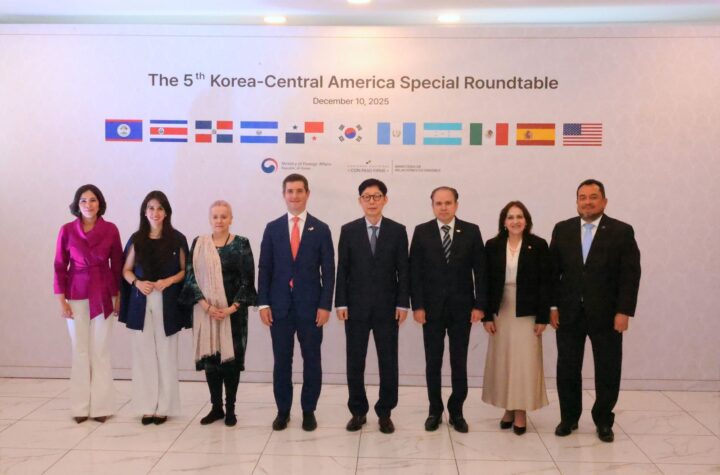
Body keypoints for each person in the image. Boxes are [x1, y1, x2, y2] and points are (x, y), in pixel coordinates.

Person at [550, 179, 641, 443]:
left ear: (604, 201)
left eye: (593, 197)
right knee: (567, 368)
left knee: (608, 369)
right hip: (568, 313)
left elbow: (630, 275)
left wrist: (624, 311)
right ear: (576, 201)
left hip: (607, 315)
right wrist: (553, 307)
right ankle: (569, 418)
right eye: (582, 197)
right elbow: (552, 272)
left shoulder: (621, 231)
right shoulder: (563, 229)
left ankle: (603, 420)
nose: (587, 202)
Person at [258, 173, 335, 432]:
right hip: (279, 308)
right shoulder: (272, 228)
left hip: (311, 309)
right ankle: (283, 411)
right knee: (282, 361)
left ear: (307, 194)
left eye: (299, 191)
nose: (295, 195)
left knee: (312, 360)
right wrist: (263, 304)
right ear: (284, 195)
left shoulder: (321, 229)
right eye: (290, 191)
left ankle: (308, 410)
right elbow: (265, 268)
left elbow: (329, 271)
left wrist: (325, 305)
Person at [409, 186, 487, 433]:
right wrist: (418, 306)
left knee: (458, 362)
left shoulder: (471, 231)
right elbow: (414, 273)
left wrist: (480, 305)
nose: (443, 207)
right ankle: (435, 410)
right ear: (432, 205)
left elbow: (480, 272)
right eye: (438, 203)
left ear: (456, 205)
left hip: (462, 310)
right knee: (433, 362)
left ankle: (457, 411)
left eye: (448, 203)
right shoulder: (421, 231)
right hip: (430, 311)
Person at [335, 178, 409, 434]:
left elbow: (404, 270)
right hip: (355, 308)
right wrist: (341, 302)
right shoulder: (348, 230)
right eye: (367, 197)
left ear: (385, 200)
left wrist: (403, 304)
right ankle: (358, 411)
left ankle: (385, 412)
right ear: (360, 201)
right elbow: (343, 269)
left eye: (377, 196)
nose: (372, 201)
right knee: (355, 362)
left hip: (388, 309)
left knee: (388, 362)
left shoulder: (398, 231)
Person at [180, 200, 257, 426]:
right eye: (215, 216)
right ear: (209, 219)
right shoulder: (199, 243)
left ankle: (230, 409)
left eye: (224, 216)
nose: (219, 220)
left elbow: (247, 280)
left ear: (231, 219)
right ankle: (216, 408)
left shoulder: (242, 244)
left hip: (234, 314)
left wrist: (231, 308)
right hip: (206, 313)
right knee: (211, 361)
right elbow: (190, 277)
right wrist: (207, 306)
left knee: (231, 362)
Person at [119, 191, 190, 425]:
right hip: (141, 303)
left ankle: (164, 407)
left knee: (166, 354)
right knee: (143, 354)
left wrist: (168, 281)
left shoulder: (177, 239)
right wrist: (138, 283)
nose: (155, 212)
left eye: (160, 208)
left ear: (166, 212)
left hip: (167, 303)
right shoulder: (137, 239)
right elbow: (126, 270)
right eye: (151, 208)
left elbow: (185, 271)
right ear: (144, 211)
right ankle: (146, 406)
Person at [54, 184, 122, 423]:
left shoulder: (111, 229)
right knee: (80, 349)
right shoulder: (66, 230)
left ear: (99, 203)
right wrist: (61, 300)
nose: (88, 204)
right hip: (76, 293)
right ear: (77, 204)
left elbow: (118, 265)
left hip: (104, 293)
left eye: (93, 200)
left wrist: (119, 297)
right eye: (83, 200)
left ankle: (102, 407)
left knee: (100, 350)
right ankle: (80, 407)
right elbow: (59, 266)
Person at [481, 201, 550, 435]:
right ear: (504, 222)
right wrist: (486, 315)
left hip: (527, 312)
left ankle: (521, 411)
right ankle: (508, 408)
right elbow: (485, 282)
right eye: (510, 217)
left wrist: (543, 317)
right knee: (504, 362)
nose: (515, 221)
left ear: (526, 220)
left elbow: (545, 283)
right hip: (501, 311)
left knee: (524, 363)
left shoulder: (538, 245)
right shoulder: (492, 245)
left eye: (520, 216)